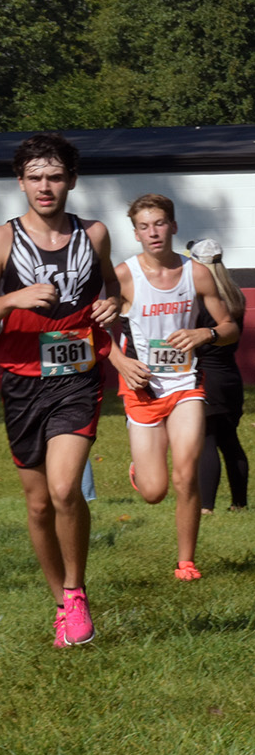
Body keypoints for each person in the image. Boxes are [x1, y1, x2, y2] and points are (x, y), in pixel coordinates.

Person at [0, 133, 121, 648]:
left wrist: (113, 303)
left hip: (77, 377)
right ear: (21, 181)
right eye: (35, 177)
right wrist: (14, 298)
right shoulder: (0, 240)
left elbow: (110, 287)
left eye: (54, 176)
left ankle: (76, 592)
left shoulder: (93, 234)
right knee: (38, 505)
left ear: (71, 180)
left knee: (65, 487)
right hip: (23, 382)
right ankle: (60, 606)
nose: (45, 187)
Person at [107, 196, 236, 580]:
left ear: (174, 227)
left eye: (160, 224)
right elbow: (93, 328)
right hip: (142, 390)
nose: (153, 232)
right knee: (154, 491)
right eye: (145, 226)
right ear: (135, 233)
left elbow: (230, 328)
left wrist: (206, 333)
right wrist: (121, 362)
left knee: (185, 472)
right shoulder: (123, 275)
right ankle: (142, 471)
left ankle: (186, 562)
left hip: (186, 384)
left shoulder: (197, 274)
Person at [186, 238, 247, 514]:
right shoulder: (236, 295)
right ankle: (239, 503)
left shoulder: (201, 299)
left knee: (207, 439)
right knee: (230, 440)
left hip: (207, 375)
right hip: (231, 377)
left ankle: (206, 507)